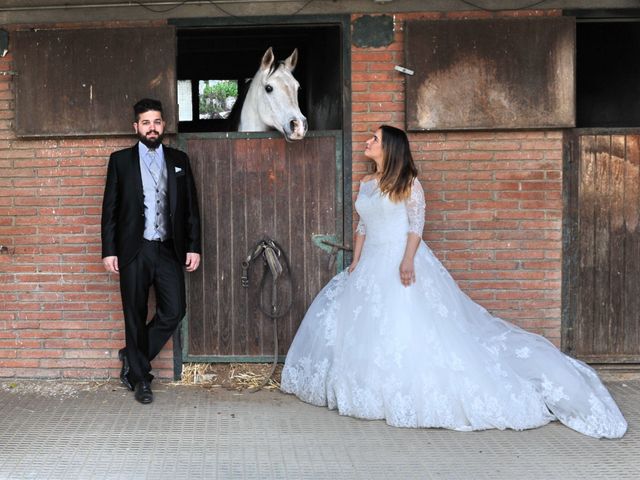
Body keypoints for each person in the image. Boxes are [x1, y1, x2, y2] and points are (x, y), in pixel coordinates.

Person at [281, 125, 627, 438]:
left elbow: (416, 225)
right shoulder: (366, 183)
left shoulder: (408, 184)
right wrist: (355, 260)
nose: (368, 142)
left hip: (400, 259)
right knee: (360, 325)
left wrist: (406, 260)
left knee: (408, 325)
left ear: (391, 149)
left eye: (375, 139)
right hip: (369, 261)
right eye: (370, 137)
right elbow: (362, 226)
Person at [101, 98, 201, 404]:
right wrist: (109, 251)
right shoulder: (119, 161)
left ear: (164, 125)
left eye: (157, 122)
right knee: (134, 313)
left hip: (169, 249)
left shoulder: (179, 159)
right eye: (146, 122)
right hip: (134, 250)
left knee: (174, 311)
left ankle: (133, 356)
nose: (152, 127)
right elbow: (110, 211)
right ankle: (140, 380)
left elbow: (191, 211)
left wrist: (194, 247)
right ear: (136, 127)